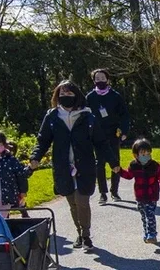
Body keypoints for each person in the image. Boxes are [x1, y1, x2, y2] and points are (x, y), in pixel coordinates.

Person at [29, 80, 114, 251]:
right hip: (63, 167)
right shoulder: (52, 117)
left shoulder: (87, 117)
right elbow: (43, 140)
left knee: (82, 201)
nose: (65, 96)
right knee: (72, 203)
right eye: (62, 94)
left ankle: (86, 236)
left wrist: (113, 162)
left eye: (69, 93)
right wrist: (35, 157)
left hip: (84, 166)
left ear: (76, 95)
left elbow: (100, 142)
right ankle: (79, 233)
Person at [85, 68, 130, 204]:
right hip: (97, 135)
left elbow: (124, 114)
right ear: (94, 81)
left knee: (115, 161)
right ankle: (103, 193)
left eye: (102, 78)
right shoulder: (90, 97)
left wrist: (124, 131)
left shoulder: (115, 96)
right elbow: (85, 116)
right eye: (97, 79)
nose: (100, 81)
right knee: (100, 163)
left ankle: (114, 191)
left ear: (107, 80)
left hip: (113, 133)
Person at [113, 138, 160, 244]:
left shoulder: (154, 165)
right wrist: (120, 171)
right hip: (140, 196)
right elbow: (129, 175)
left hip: (152, 195)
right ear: (136, 155)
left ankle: (152, 234)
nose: (146, 156)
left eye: (148, 153)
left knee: (149, 214)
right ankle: (146, 233)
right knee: (143, 216)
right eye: (143, 154)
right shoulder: (134, 166)